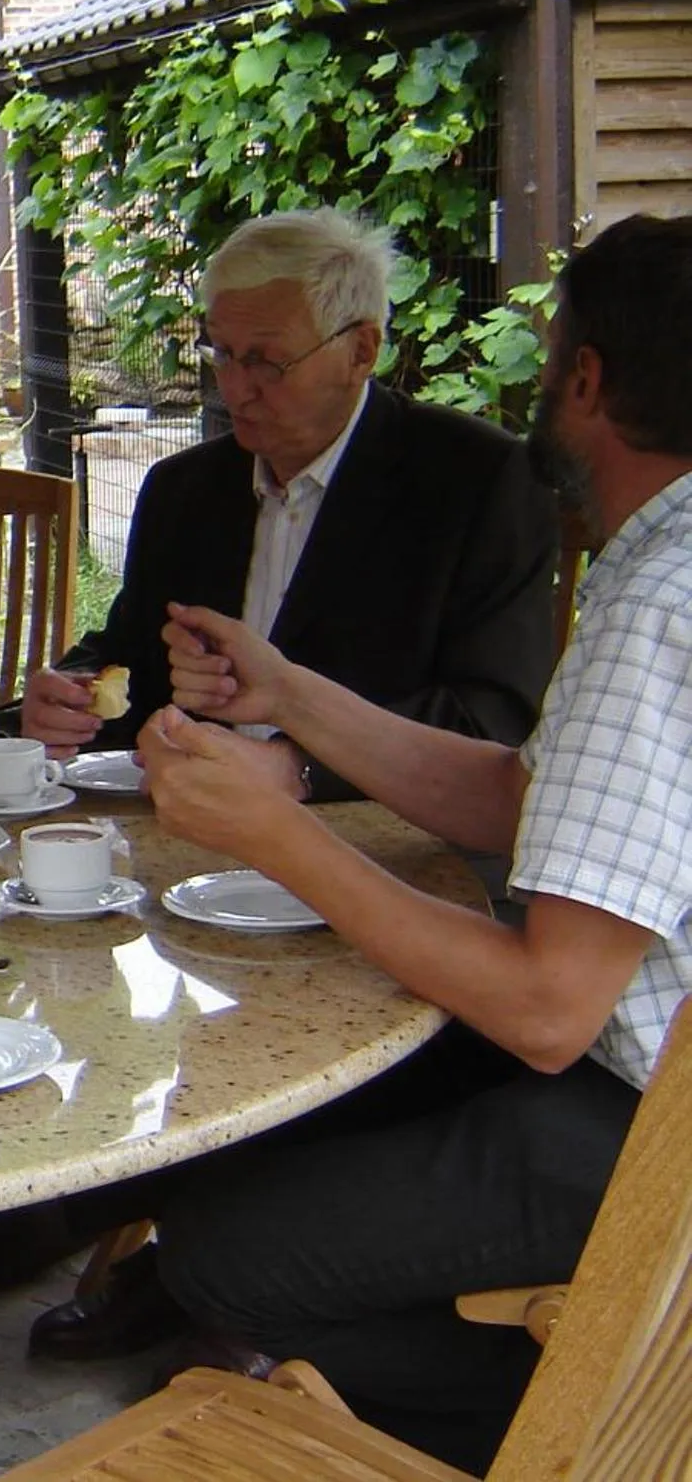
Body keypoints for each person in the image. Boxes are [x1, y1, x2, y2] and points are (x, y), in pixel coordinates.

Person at [42, 214, 691, 1473]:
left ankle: (603, 1408)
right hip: (624, 1073)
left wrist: (277, 830)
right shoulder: (660, 558)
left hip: (645, 1121)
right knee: (285, 1135)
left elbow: (553, 1007)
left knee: (231, 1254)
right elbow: (527, 797)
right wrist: (292, 695)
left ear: (590, 379)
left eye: (555, 355)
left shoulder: (655, 597)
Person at [4, 208, 556, 794]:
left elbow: (495, 719)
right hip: (199, 839)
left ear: (361, 351)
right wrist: (68, 695)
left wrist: (301, 767)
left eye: (267, 360)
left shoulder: (475, 482)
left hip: (385, 847)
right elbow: (131, 656)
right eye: (221, 352)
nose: (235, 387)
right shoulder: (184, 490)